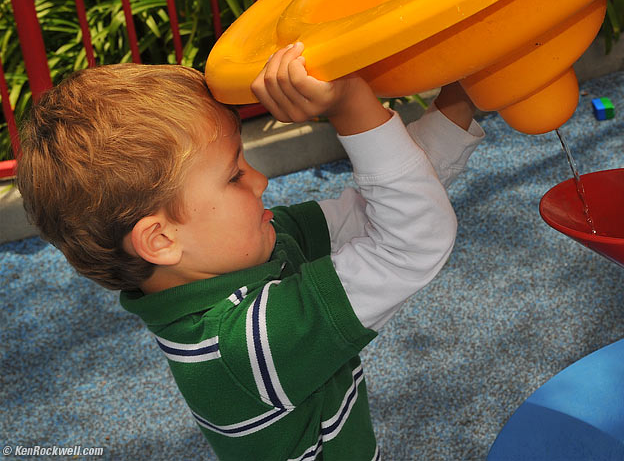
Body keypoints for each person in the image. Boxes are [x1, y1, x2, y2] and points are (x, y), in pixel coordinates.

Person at [16, 42, 484, 460]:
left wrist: (461, 95)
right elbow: (410, 243)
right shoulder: (241, 347)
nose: (261, 180)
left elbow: (381, 210)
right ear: (161, 240)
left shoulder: (248, 250)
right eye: (234, 175)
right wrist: (352, 105)